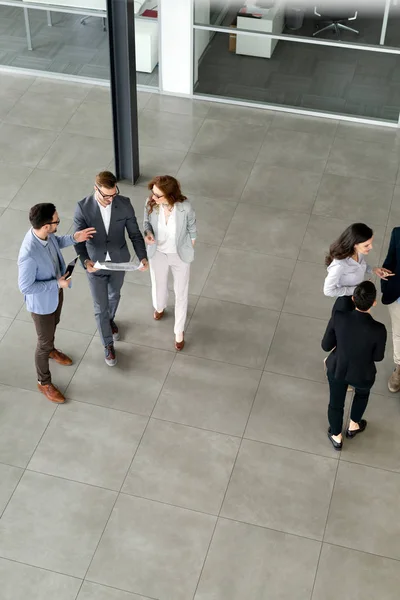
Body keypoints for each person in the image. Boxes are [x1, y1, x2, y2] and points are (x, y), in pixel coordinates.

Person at [18, 203, 96, 403]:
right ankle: (43, 382)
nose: (58, 225)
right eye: (56, 222)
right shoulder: (28, 255)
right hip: (42, 304)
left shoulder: (45, 235)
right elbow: (26, 287)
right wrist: (56, 283)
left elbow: (56, 241)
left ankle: (52, 349)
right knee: (43, 344)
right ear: (45, 226)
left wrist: (74, 238)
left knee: (54, 325)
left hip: (55, 293)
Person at [73, 171, 148, 367]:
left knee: (114, 295)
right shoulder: (83, 208)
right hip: (95, 265)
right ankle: (108, 345)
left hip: (119, 261)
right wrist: (85, 260)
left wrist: (142, 257)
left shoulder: (124, 204)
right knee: (100, 307)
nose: (110, 199)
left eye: (113, 194)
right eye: (106, 195)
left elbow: (135, 234)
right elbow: (78, 240)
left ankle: (110, 320)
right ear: (95, 189)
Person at [321, 281, 387, 450]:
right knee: (362, 395)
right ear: (374, 302)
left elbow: (326, 345)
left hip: (338, 368)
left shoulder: (339, 317)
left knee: (336, 403)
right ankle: (353, 425)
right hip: (363, 374)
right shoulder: (379, 329)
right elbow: (378, 357)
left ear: (353, 298)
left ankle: (336, 435)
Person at [143, 175, 196, 351]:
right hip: (158, 253)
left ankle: (179, 331)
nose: (153, 198)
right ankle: (160, 307)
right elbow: (146, 224)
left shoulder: (185, 208)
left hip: (179, 255)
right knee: (158, 285)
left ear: (170, 195)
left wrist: (189, 245)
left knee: (181, 293)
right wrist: (148, 234)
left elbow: (192, 229)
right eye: (153, 193)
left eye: (158, 195)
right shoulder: (151, 204)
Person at [323, 223, 393, 314]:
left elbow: (360, 266)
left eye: (370, 243)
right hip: (346, 304)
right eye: (366, 245)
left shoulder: (358, 252)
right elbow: (328, 291)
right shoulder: (339, 265)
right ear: (355, 244)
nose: (371, 247)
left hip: (358, 298)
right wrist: (357, 289)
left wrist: (373, 270)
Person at [381, 226, 400, 392]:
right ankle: (399, 369)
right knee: (398, 334)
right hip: (398, 298)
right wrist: (385, 283)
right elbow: (390, 261)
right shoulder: (398, 233)